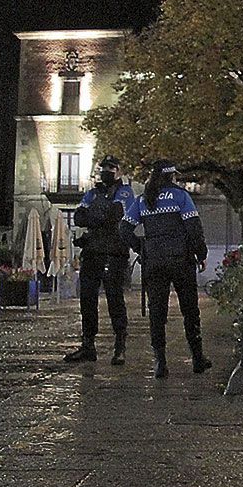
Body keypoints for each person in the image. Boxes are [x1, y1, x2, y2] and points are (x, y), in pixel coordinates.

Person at [121, 160, 211, 378]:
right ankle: (198, 358)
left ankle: (160, 363)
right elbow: (194, 228)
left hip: (154, 262)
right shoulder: (181, 197)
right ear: (172, 176)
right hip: (182, 260)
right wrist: (201, 254)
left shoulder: (144, 200)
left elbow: (124, 228)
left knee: (157, 313)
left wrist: (141, 248)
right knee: (190, 310)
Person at [65, 156, 137, 365]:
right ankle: (88, 345)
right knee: (87, 299)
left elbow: (116, 215)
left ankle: (120, 346)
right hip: (92, 251)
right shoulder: (92, 192)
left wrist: (94, 218)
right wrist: (98, 218)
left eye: (112, 168)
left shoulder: (125, 192)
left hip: (114, 253)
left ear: (119, 171)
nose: (107, 171)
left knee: (115, 299)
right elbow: (79, 216)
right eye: (104, 168)